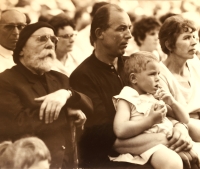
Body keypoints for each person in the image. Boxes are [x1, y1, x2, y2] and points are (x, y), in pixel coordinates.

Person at [70, 4, 193, 169]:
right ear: (100, 34)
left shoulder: (134, 65)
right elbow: (106, 137)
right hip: (108, 158)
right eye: (121, 29)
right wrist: (166, 137)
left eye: (129, 28)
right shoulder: (83, 76)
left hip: (149, 141)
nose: (129, 35)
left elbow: (164, 104)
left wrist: (180, 129)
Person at [0, 22, 93, 169]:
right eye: (42, 38)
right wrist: (66, 114)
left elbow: (89, 105)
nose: (50, 44)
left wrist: (67, 94)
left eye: (53, 39)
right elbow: (17, 124)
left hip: (66, 163)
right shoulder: (6, 80)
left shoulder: (60, 78)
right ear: (21, 49)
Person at [110, 51, 200, 169]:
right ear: (133, 78)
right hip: (150, 146)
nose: (158, 78)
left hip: (168, 140)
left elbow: (184, 119)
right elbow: (120, 130)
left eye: (158, 73)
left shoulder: (154, 97)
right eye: (152, 74)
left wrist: (172, 102)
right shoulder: (127, 98)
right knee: (173, 163)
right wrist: (150, 120)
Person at [158, 15, 200, 142]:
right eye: (187, 38)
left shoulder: (195, 63)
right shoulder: (159, 74)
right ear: (170, 45)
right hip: (184, 126)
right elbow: (169, 113)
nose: (194, 42)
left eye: (194, 37)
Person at [49, 13, 82, 77]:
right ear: (54, 38)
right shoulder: (47, 63)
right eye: (66, 36)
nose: (72, 40)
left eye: (72, 35)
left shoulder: (77, 54)